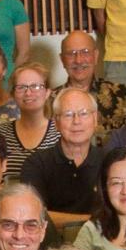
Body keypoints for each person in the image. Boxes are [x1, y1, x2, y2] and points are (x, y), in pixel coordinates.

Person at [22, 85, 105, 221]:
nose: (76, 121)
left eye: (83, 113)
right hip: (50, 240)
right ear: (56, 123)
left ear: (95, 118)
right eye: (68, 115)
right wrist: (92, 221)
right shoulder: (37, 163)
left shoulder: (110, 161)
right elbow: (35, 216)